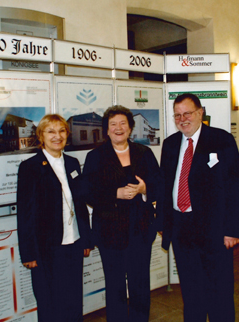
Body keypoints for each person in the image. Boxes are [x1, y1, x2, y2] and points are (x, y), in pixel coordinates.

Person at [160, 93, 239, 322]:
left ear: (200, 113)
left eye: (187, 113)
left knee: (220, 290)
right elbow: (165, 186)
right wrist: (164, 223)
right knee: (190, 290)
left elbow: (235, 187)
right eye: (177, 115)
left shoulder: (222, 140)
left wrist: (232, 230)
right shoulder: (169, 145)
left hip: (215, 230)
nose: (182, 119)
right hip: (181, 229)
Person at [83, 105, 162, 322]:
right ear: (106, 130)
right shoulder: (95, 157)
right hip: (109, 233)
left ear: (130, 128)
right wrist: (115, 193)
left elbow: (159, 185)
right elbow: (87, 192)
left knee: (140, 284)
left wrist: (144, 190)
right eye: (113, 124)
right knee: (115, 285)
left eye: (123, 123)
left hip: (141, 230)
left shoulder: (144, 153)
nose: (118, 128)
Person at [16, 114, 92, 322]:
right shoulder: (30, 167)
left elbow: (80, 203)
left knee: (73, 299)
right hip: (45, 248)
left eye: (61, 131)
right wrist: (28, 253)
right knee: (49, 302)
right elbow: (25, 214)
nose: (57, 136)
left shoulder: (73, 163)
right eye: (51, 131)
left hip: (73, 244)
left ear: (67, 135)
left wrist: (85, 239)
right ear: (41, 136)